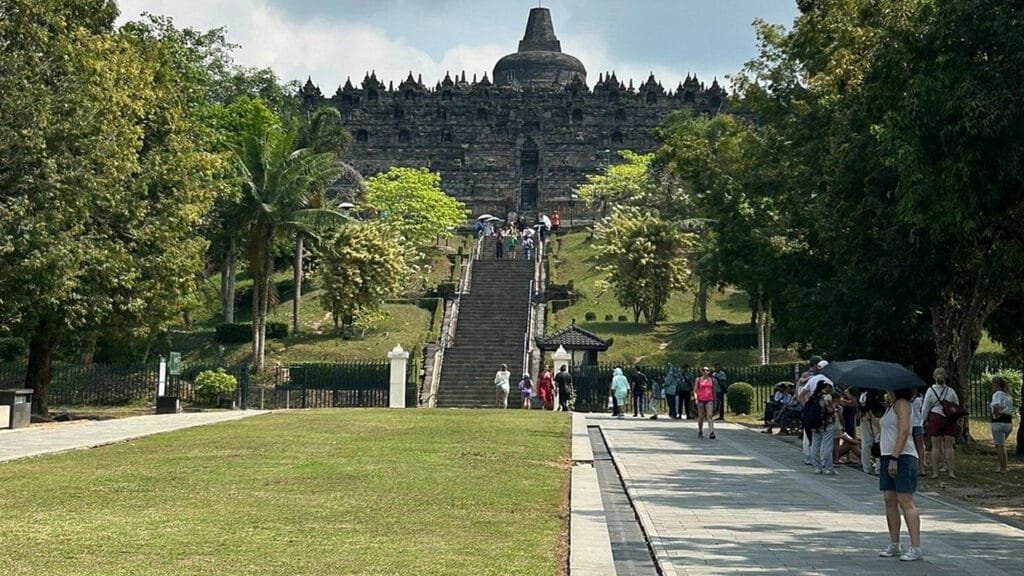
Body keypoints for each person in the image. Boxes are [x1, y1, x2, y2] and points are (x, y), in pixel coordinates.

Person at [878, 386, 922, 562]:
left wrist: (895, 457)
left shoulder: (902, 404)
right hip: (887, 455)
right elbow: (889, 429)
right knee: (889, 499)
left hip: (902, 456)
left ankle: (915, 546)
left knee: (905, 500)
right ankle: (894, 543)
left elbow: (904, 431)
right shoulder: (891, 405)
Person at [921, 368, 959, 479]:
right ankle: (951, 472)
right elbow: (956, 405)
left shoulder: (930, 391)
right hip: (948, 418)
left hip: (935, 417)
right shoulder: (951, 391)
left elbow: (925, 408)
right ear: (945, 377)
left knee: (935, 446)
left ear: (934, 377)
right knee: (949, 446)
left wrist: (923, 420)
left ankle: (935, 472)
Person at [808, 382, 837, 475]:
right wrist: (834, 411)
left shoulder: (813, 396)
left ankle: (817, 467)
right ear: (826, 387)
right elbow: (830, 410)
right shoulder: (826, 397)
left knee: (815, 445)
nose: (831, 389)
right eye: (830, 387)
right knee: (827, 446)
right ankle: (828, 468)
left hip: (814, 424)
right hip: (826, 424)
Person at [990, 376, 1015, 473]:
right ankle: (1000, 465)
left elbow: (996, 405)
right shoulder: (1008, 395)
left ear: (996, 384)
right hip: (1008, 422)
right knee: (1000, 444)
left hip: (999, 421)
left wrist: (995, 415)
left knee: (1000, 446)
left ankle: (1004, 467)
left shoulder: (997, 394)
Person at [859, 390, 884, 475]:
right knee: (878, 442)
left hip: (865, 416)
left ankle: (866, 467)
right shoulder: (877, 389)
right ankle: (879, 468)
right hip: (876, 416)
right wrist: (871, 413)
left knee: (866, 444)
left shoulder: (862, 389)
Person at [694, 367, 716, 439]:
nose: (705, 371)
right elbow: (695, 390)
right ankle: (700, 430)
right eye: (703, 370)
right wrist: (696, 398)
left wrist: (715, 400)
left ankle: (711, 432)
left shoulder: (712, 380)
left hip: (709, 400)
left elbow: (714, 390)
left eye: (707, 370)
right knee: (701, 416)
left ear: (709, 372)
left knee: (709, 415)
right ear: (702, 371)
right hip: (701, 400)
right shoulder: (698, 379)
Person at [911, 387, 927, 475]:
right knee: (919, 447)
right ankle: (920, 468)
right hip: (916, 423)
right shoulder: (920, 399)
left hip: (913, 423)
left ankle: (919, 468)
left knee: (916, 446)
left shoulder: (907, 399)